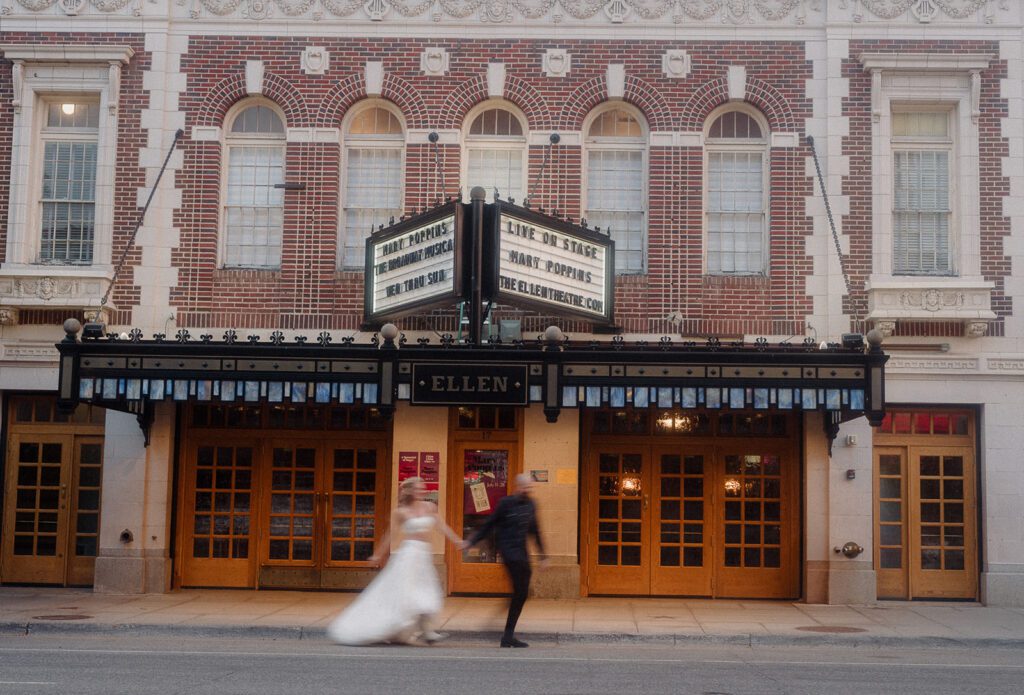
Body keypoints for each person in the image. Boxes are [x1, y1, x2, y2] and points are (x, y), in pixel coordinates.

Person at [327, 476, 461, 646]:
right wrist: (378, 554)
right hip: (409, 555)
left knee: (428, 590)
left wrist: (457, 541)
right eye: (419, 488)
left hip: (424, 555)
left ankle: (427, 631)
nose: (422, 491)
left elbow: (442, 526)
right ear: (410, 491)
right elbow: (391, 535)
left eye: (423, 488)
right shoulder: (401, 512)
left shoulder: (430, 507)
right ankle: (420, 630)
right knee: (408, 593)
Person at [462, 472, 547, 648]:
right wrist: (471, 541)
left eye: (530, 487)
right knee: (521, 592)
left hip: (522, 552)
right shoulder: (505, 503)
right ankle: (507, 635)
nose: (527, 490)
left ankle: (507, 634)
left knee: (522, 593)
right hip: (509, 551)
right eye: (525, 487)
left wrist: (543, 555)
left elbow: (535, 530)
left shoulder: (531, 504)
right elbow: (489, 524)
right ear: (518, 486)